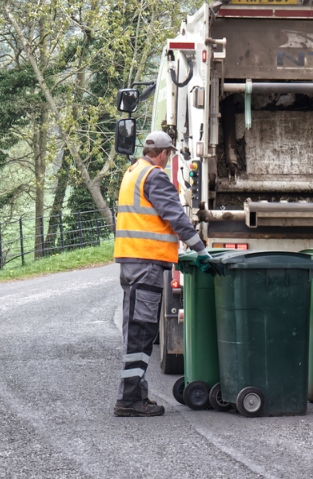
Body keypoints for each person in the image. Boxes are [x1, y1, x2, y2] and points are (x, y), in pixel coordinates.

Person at [113, 130, 212, 416]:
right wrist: (200, 249)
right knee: (142, 332)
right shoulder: (154, 176)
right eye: (169, 154)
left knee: (134, 330)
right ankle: (129, 400)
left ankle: (136, 395)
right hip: (147, 264)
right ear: (164, 153)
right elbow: (175, 216)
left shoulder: (132, 171)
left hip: (131, 262)